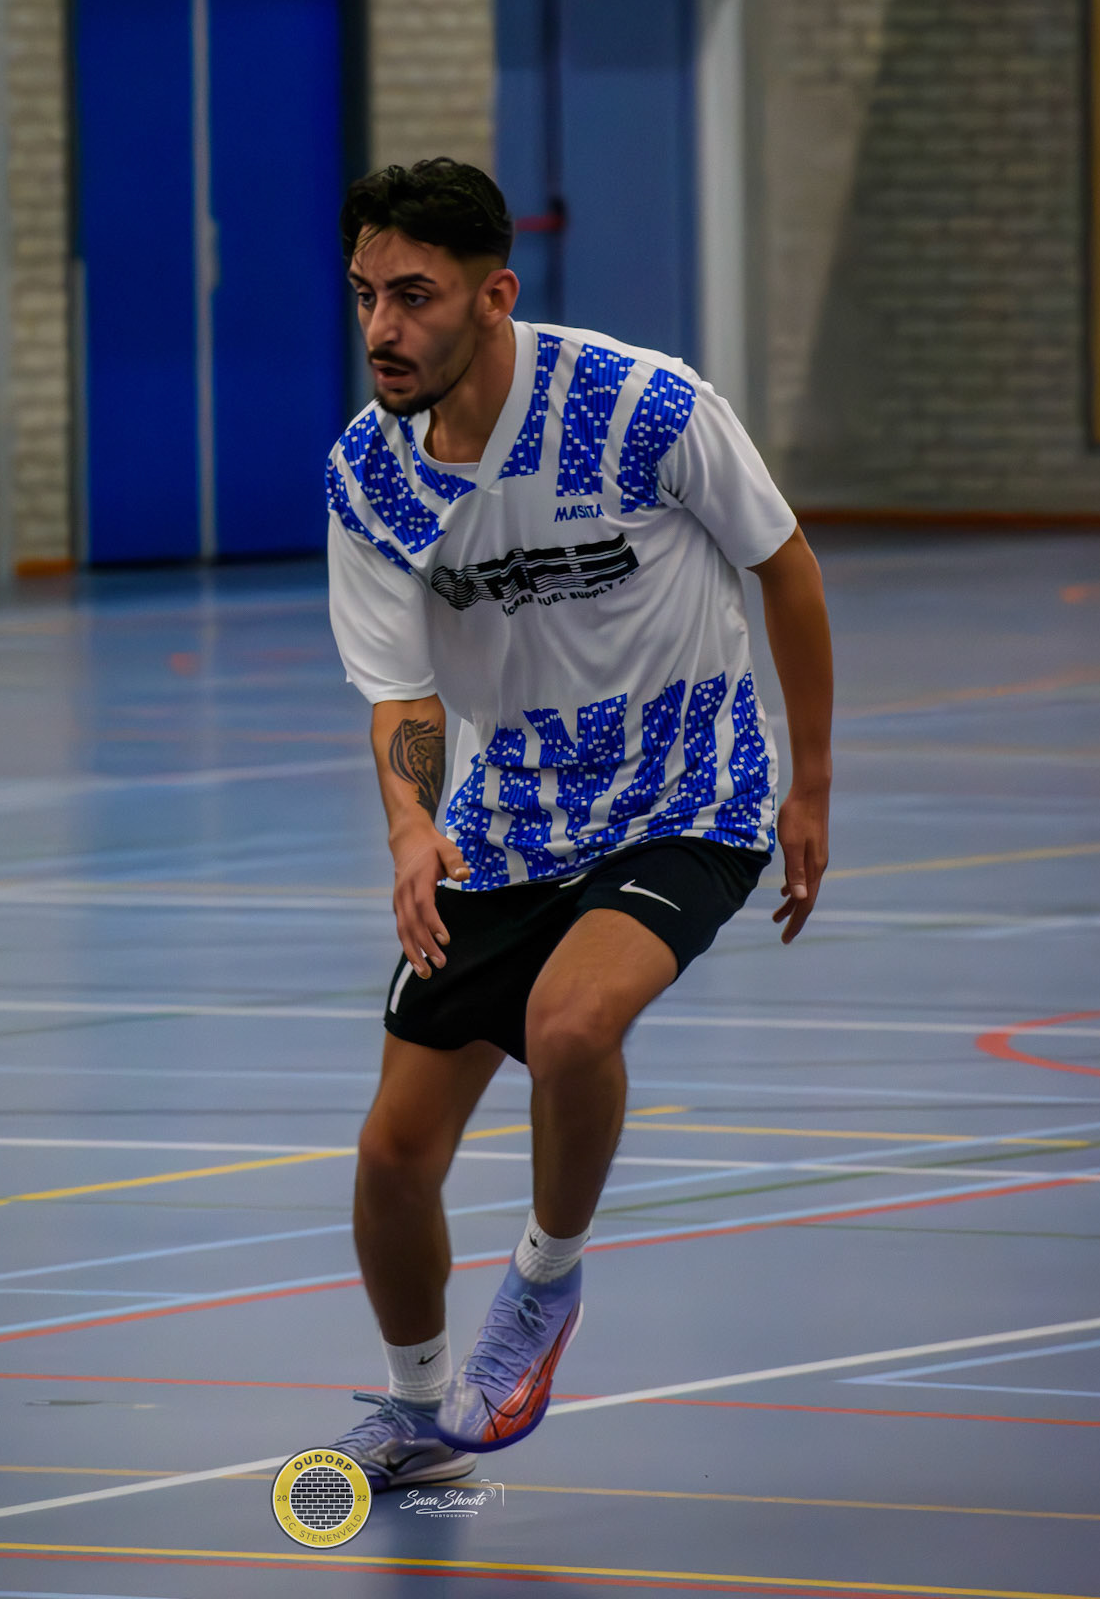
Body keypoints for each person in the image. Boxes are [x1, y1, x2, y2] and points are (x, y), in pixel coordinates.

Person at [321, 159, 834, 1488]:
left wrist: (811, 782)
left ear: (493, 297)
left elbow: (784, 566)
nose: (382, 327)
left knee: (568, 1023)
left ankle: (544, 1284)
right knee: (391, 1157)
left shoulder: (641, 405)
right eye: (366, 295)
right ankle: (420, 1417)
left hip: (686, 794)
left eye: (414, 296)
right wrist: (410, 827)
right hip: (508, 819)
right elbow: (400, 689)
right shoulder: (371, 475)